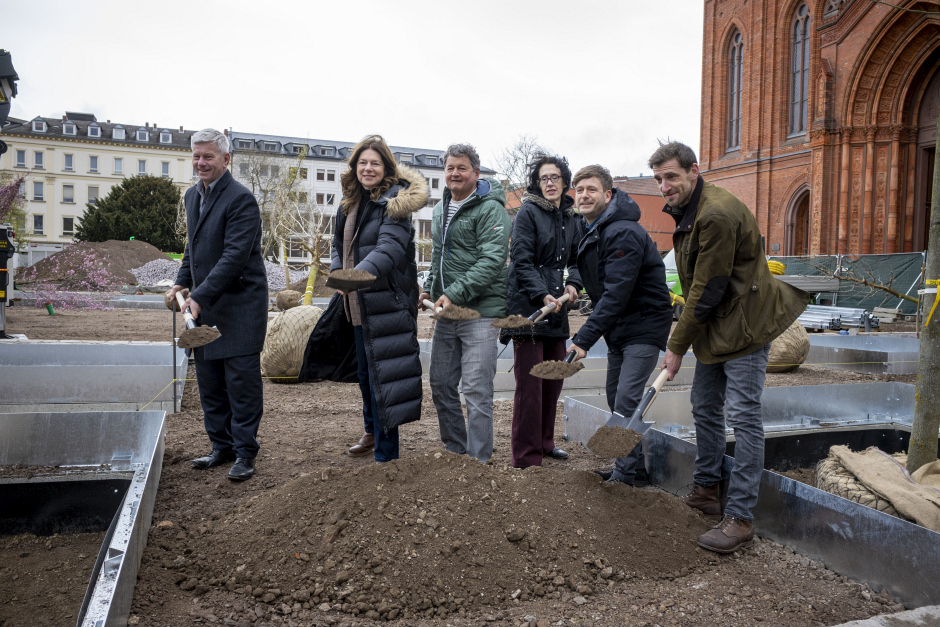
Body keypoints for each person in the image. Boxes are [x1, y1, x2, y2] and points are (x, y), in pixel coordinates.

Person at [653, 141, 809, 553]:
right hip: (717, 325)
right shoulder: (689, 210)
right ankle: (706, 490)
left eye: (671, 176)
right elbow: (697, 287)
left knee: (743, 417)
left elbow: (707, 288)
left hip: (745, 325)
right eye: (658, 179)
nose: (664, 186)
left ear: (693, 170)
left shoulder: (716, 214)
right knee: (704, 405)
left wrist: (676, 345)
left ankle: (740, 518)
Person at [170, 128, 269, 482]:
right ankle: (221, 446)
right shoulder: (192, 197)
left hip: (240, 307)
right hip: (208, 305)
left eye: (208, 156)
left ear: (226, 159)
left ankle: (245, 452)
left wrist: (197, 297)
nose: (200, 163)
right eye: (196, 156)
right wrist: (183, 281)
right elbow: (192, 249)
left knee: (240, 385)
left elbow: (233, 258)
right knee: (210, 382)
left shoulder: (241, 199)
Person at [568, 165, 673, 486]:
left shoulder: (622, 231)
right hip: (621, 328)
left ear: (608, 194)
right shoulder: (596, 230)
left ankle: (625, 476)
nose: (584, 195)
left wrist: (583, 338)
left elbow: (616, 293)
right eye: (580, 190)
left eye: (592, 189)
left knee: (627, 399)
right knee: (616, 397)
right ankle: (634, 469)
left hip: (644, 325)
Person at [331, 135, 427, 462]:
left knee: (383, 379)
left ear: (386, 166)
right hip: (357, 305)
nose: (368, 168)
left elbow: (389, 249)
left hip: (386, 306)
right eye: (363, 163)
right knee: (364, 375)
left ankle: (387, 456)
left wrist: (354, 277)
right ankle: (372, 432)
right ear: (354, 167)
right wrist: (338, 272)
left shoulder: (394, 202)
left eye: (375, 163)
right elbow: (337, 248)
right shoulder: (349, 204)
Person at [418, 143, 510, 464]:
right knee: (441, 383)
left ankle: (478, 462)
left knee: (475, 390)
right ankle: (456, 451)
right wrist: (428, 288)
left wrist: (454, 292)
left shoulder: (490, 209)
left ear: (476, 173)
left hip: (481, 314)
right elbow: (439, 256)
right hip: (448, 312)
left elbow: (493, 260)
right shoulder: (441, 207)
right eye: (450, 168)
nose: (455, 173)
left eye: (462, 168)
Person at [501, 153, 581, 468]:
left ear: (564, 182)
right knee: (531, 385)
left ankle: (546, 443)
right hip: (528, 307)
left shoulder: (572, 218)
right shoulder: (527, 213)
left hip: (557, 307)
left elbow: (577, 260)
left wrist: (573, 284)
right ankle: (526, 454)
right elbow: (521, 261)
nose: (549, 183)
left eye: (555, 178)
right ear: (538, 183)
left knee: (553, 380)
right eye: (543, 178)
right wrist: (542, 294)